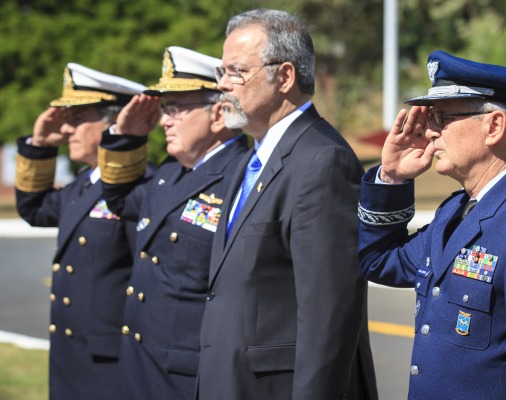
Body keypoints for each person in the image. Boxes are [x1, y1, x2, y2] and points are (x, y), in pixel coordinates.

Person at [357, 50, 506, 399]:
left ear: (494, 126)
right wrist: (390, 178)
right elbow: (379, 260)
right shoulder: (456, 209)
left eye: (441, 118)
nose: (430, 132)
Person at [196, 8, 378, 400]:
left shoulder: (321, 160)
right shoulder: (252, 159)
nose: (223, 86)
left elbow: (328, 315)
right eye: (220, 73)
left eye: (236, 72)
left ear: (284, 76)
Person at [97, 46, 248, 400]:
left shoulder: (242, 175)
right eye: (165, 109)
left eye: (176, 109)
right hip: (140, 364)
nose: (165, 120)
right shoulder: (170, 173)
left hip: (188, 376)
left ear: (219, 114)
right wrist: (126, 137)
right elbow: (120, 200)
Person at [14, 63, 146, 400]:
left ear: (114, 122)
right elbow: (35, 209)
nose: (68, 129)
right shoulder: (83, 185)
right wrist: (40, 145)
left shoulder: (140, 188)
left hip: (111, 362)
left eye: (78, 118)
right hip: (71, 357)